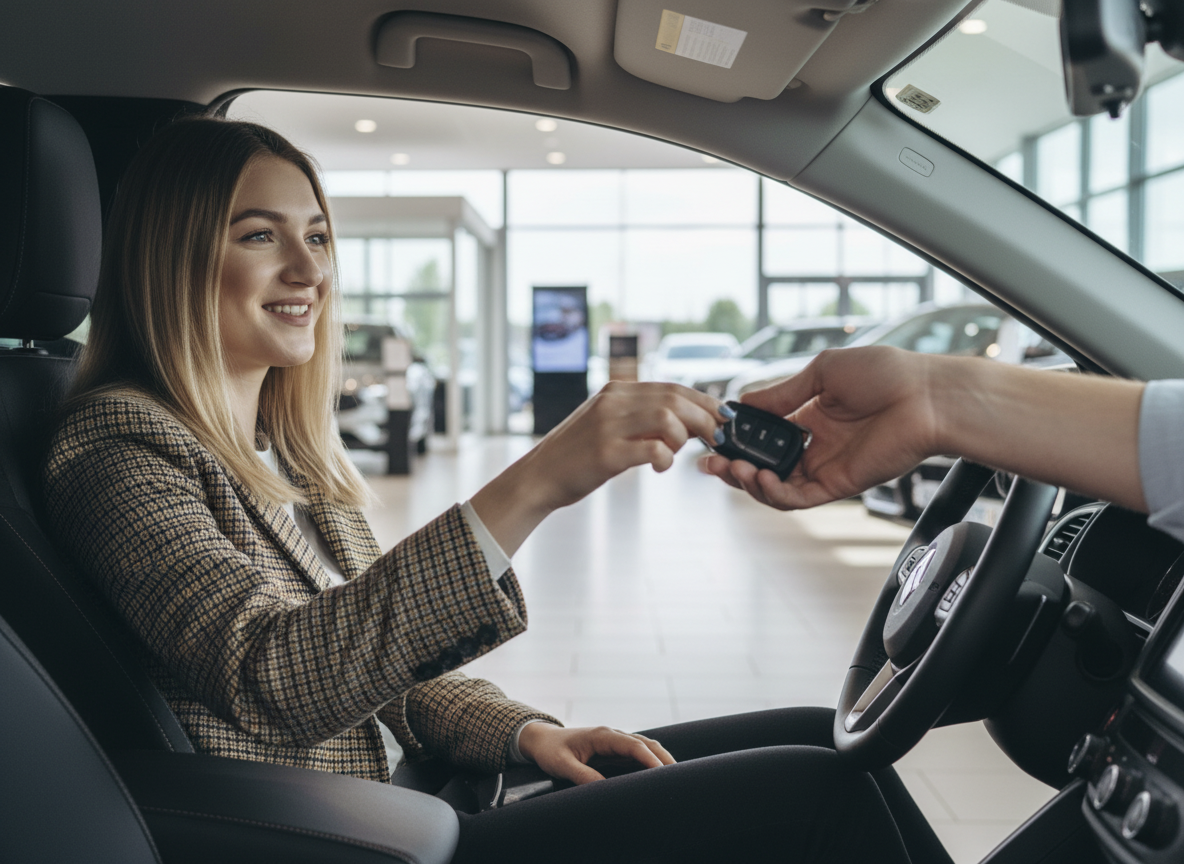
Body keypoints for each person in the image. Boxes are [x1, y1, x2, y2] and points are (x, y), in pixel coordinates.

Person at [43, 117, 939, 864]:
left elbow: (383, 676)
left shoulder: (288, 456)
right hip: (367, 834)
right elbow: (276, 676)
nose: (310, 271)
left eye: (316, 236)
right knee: (812, 792)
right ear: (173, 257)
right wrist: (542, 479)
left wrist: (524, 735)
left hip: (433, 795)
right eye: (258, 235)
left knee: (821, 735)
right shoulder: (118, 447)